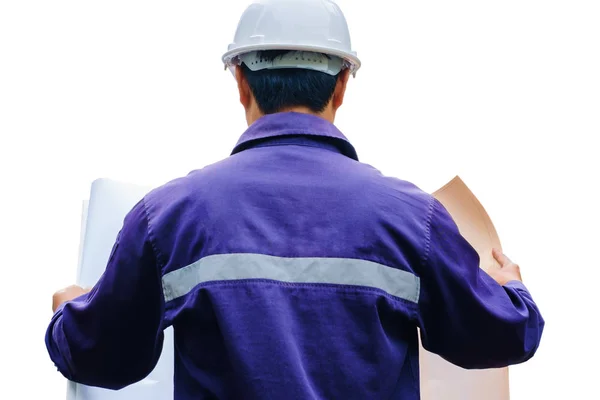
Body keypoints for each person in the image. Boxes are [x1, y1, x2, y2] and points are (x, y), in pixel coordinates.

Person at [45, 0, 544, 399]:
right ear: (343, 85)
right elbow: (503, 336)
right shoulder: (413, 221)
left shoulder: (169, 218)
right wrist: (510, 290)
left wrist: (71, 316)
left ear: (240, 81)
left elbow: (101, 358)